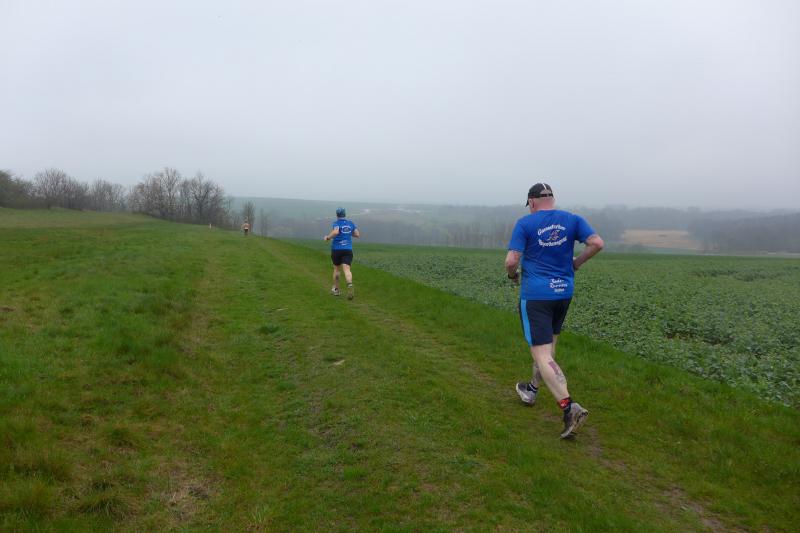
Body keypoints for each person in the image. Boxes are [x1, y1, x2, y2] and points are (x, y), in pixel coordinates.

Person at [505, 183, 604, 439]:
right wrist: (575, 264)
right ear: (552, 199)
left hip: (536, 296)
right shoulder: (573, 219)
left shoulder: (525, 224)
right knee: (548, 351)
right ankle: (531, 389)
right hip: (563, 293)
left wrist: (512, 275)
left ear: (532, 202)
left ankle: (570, 408)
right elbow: (596, 243)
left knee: (541, 354)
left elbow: (512, 260)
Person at [323, 207, 360, 300]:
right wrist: (348, 233)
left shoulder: (336, 223)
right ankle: (350, 284)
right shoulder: (350, 223)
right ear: (345, 214)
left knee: (336, 269)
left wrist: (328, 237)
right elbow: (357, 234)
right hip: (347, 249)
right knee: (347, 270)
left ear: (337, 215)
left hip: (336, 249)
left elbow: (336, 232)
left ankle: (337, 290)